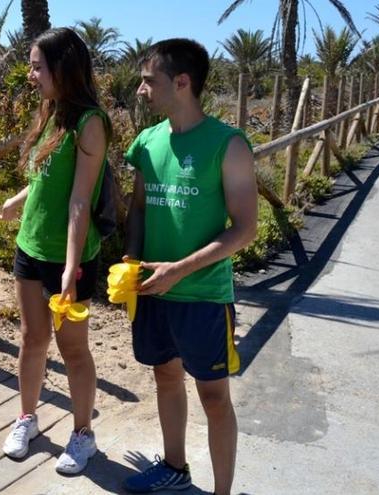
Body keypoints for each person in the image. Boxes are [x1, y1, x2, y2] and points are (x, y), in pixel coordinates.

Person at [120, 39, 257, 495]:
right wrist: (131, 260)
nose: (140, 90)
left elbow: (244, 229)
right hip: (154, 292)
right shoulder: (148, 142)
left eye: (148, 80)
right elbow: (138, 208)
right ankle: (176, 469)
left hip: (203, 296)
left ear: (182, 82)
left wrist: (179, 269)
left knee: (215, 397)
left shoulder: (228, 144)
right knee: (165, 377)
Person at [0, 27, 112, 475]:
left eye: (36, 66)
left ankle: (83, 434)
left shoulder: (90, 122)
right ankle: (27, 417)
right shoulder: (52, 111)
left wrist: (69, 268)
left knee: (74, 349)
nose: (30, 75)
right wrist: (17, 201)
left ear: (62, 68)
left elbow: (81, 199)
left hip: (70, 257)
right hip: (31, 245)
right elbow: (49, 180)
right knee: (32, 339)